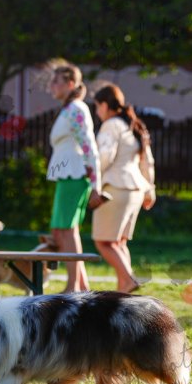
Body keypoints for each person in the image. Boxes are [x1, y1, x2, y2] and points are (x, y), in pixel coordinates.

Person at [91, 83, 156, 293]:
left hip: (115, 189)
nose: (97, 112)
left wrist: (91, 177)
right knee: (119, 243)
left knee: (103, 242)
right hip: (136, 190)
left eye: (97, 107)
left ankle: (128, 280)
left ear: (104, 105)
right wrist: (150, 189)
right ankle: (123, 292)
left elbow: (104, 156)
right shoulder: (134, 125)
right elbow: (147, 160)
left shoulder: (111, 125)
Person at [45, 59, 100, 293]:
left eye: (56, 81)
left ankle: (73, 286)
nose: (51, 86)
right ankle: (81, 285)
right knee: (65, 230)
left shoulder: (76, 108)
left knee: (67, 230)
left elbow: (89, 146)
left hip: (75, 175)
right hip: (68, 176)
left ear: (70, 84)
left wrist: (96, 184)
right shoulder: (69, 109)